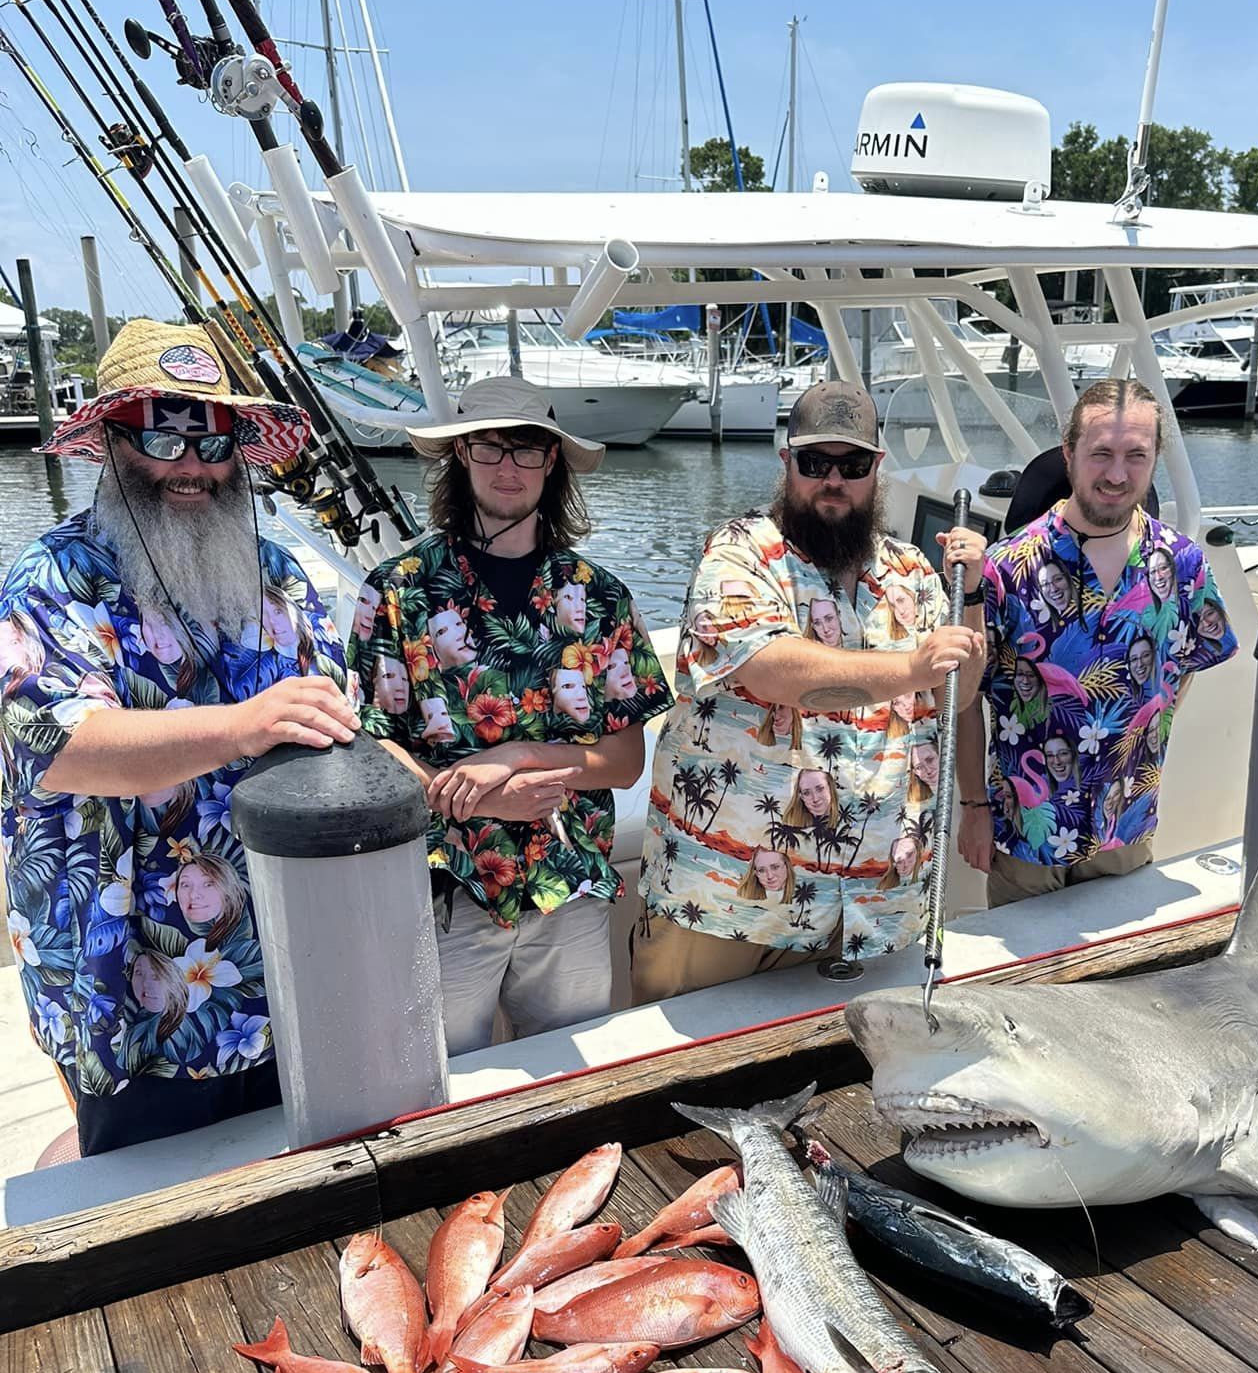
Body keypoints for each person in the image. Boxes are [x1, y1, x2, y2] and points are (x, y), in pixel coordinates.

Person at [0, 319, 356, 1154]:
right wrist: (241, 727)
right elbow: (62, 748)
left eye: (215, 437)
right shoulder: (50, 579)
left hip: (275, 970)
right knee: (147, 1220)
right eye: (163, 434)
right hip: (126, 984)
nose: (192, 463)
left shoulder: (280, 573)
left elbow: (336, 715)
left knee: (289, 1181)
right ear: (114, 445)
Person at [634, 377, 986, 1002]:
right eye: (815, 462)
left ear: (877, 468)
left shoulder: (913, 571)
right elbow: (771, 669)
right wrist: (911, 667)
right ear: (786, 461)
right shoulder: (738, 554)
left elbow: (957, 697)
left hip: (872, 907)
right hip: (726, 906)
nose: (833, 480)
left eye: (852, 464)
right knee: (682, 1087)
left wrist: (975, 595)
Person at [348, 375, 669, 1055]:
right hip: (445, 884)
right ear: (460, 455)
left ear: (551, 461)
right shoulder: (396, 589)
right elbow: (370, 743)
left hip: (569, 885)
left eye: (526, 450)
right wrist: (491, 800)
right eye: (489, 448)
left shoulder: (601, 597)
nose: (507, 468)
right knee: (437, 1080)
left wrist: (518, 759)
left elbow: (624, 761)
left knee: (568, 1080)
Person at [959, 376, 1238, 903]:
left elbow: (1188, 660)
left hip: (1126, 828)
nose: (1117, 474)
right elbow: (965, 699)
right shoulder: (1005, 567)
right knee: (1023, 982)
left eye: (1136, 455)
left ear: (1155, 457)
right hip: (1027, 834)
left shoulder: (1182, 565)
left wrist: (1145, 733)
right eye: (1101, 453)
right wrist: (974, 808)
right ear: (1069, 454)